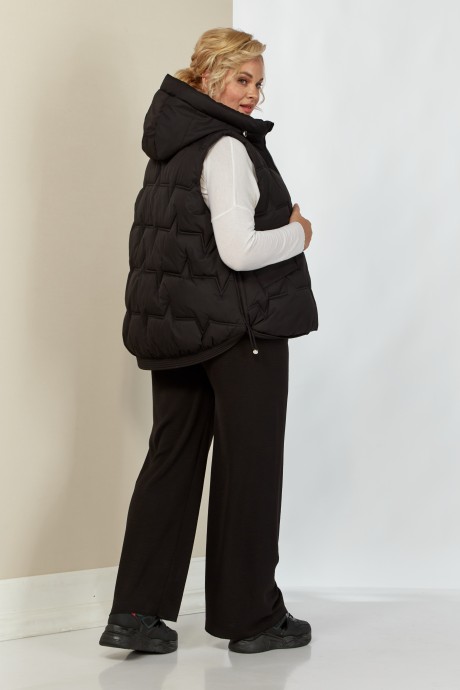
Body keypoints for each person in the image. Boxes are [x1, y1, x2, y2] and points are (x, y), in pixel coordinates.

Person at [99, 27, 318, 655]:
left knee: (170, 459)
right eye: (242, 79)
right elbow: (239, 250)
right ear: (209, 74)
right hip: (240, 331)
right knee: (249, 469)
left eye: (259, 84)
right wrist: (300, 232)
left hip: (178, 331)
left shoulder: (172, 145)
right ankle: (252, 617)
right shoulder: (225, 147)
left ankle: (136, 614)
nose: (252, 95)